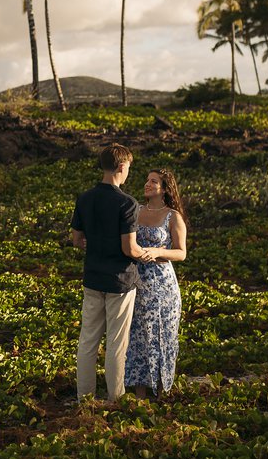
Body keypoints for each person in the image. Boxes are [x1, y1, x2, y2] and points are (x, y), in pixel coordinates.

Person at [70, 143, 150, 402]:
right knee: (116, 344)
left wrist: (95, 243)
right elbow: (129, 248)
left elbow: (76, 240)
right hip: (120, 280)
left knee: (87, 341)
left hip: (93, 277)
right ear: (122, 167)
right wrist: (146, 254)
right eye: (129, 168)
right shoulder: (127, 203)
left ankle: (85, 398)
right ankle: (116, 399)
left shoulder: (85, 198)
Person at [124, 168, 188, 398]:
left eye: (153, 181)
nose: (147, 184)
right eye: (147, 180)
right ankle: (139, 394)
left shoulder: (173, 216)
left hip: (163, 285)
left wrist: (158, 251)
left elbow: (181, 253)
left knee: (163, 335)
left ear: (165, 188)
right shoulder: (136, 211)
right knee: (138, 336)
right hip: (137, 282)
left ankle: (161, 392)